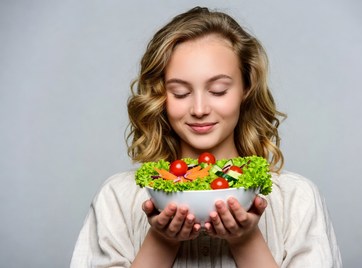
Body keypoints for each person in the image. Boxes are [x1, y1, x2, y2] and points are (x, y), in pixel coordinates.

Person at [71, 6, 342, 268]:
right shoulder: (117, 199)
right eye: (180, 92)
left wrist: (245, 240)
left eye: (218, 90)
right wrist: (161, 241)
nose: (199, 109)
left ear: (246, 89)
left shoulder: (298, 200)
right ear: (159, 96)